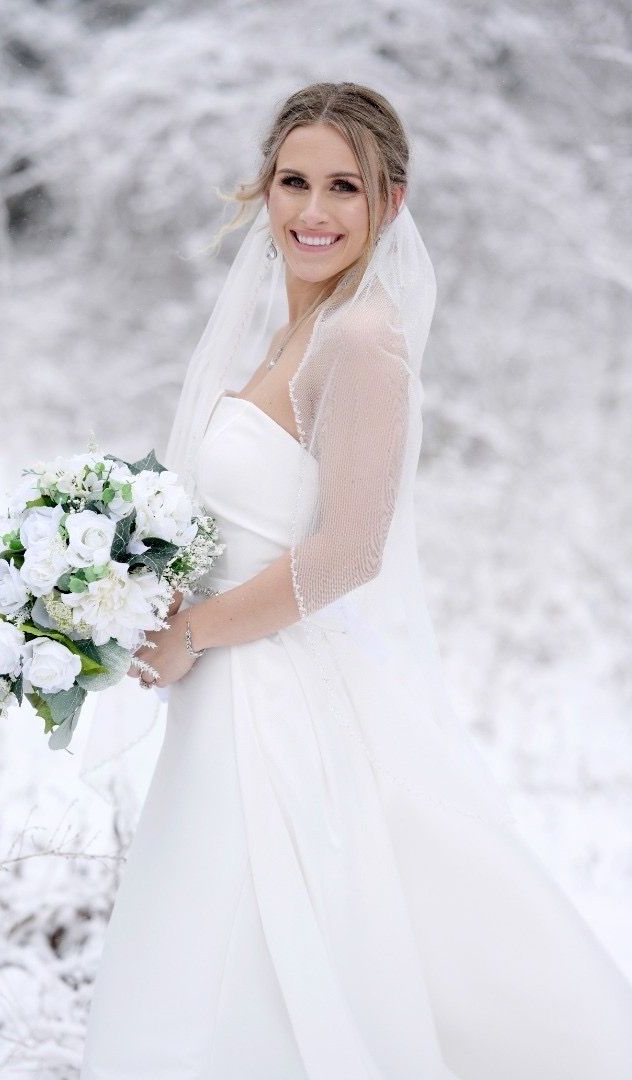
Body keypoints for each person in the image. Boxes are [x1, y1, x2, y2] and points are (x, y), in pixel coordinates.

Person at [79, 82, 632, 1080]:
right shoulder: (284, 334)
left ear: (392, 204)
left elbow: (347, 553)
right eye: (294, 181)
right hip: (225, 688)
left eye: (347, 186)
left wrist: (195, 631)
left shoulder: (362, 341)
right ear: (263, 189)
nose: (314, 210)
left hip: (277, 693)